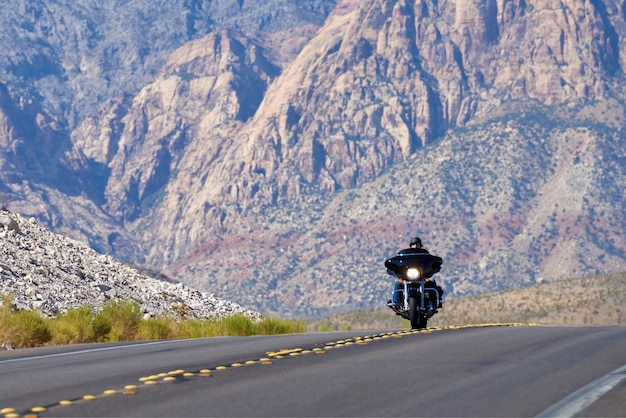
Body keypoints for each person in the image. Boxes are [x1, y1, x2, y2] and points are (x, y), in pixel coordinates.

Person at [388, 237, 443, 308]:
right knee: (398, 283)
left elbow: (429, 262)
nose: (415, 246)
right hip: (408, 276)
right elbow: (401, 263)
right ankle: (396, 302)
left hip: (421, 276)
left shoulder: (424, 255)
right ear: (411, 245)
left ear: (420, 245)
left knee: (431, 280)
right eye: (413, 244)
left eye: (417, 244)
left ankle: (435, 301)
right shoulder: (406, 256)